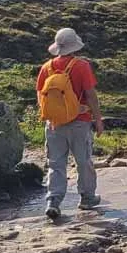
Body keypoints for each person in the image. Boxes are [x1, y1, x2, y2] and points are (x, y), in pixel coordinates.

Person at [36, 27, 104, 219]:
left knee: (56, 164)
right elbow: (91, 95)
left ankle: (53, 201)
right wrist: (98, 119)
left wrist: (51, 116)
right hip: (79, 123)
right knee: (83, 161)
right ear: (75, 46)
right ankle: (87, 198)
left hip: (54, 124)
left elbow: (40, 95)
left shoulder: (46, 67)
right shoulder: (81, 66)